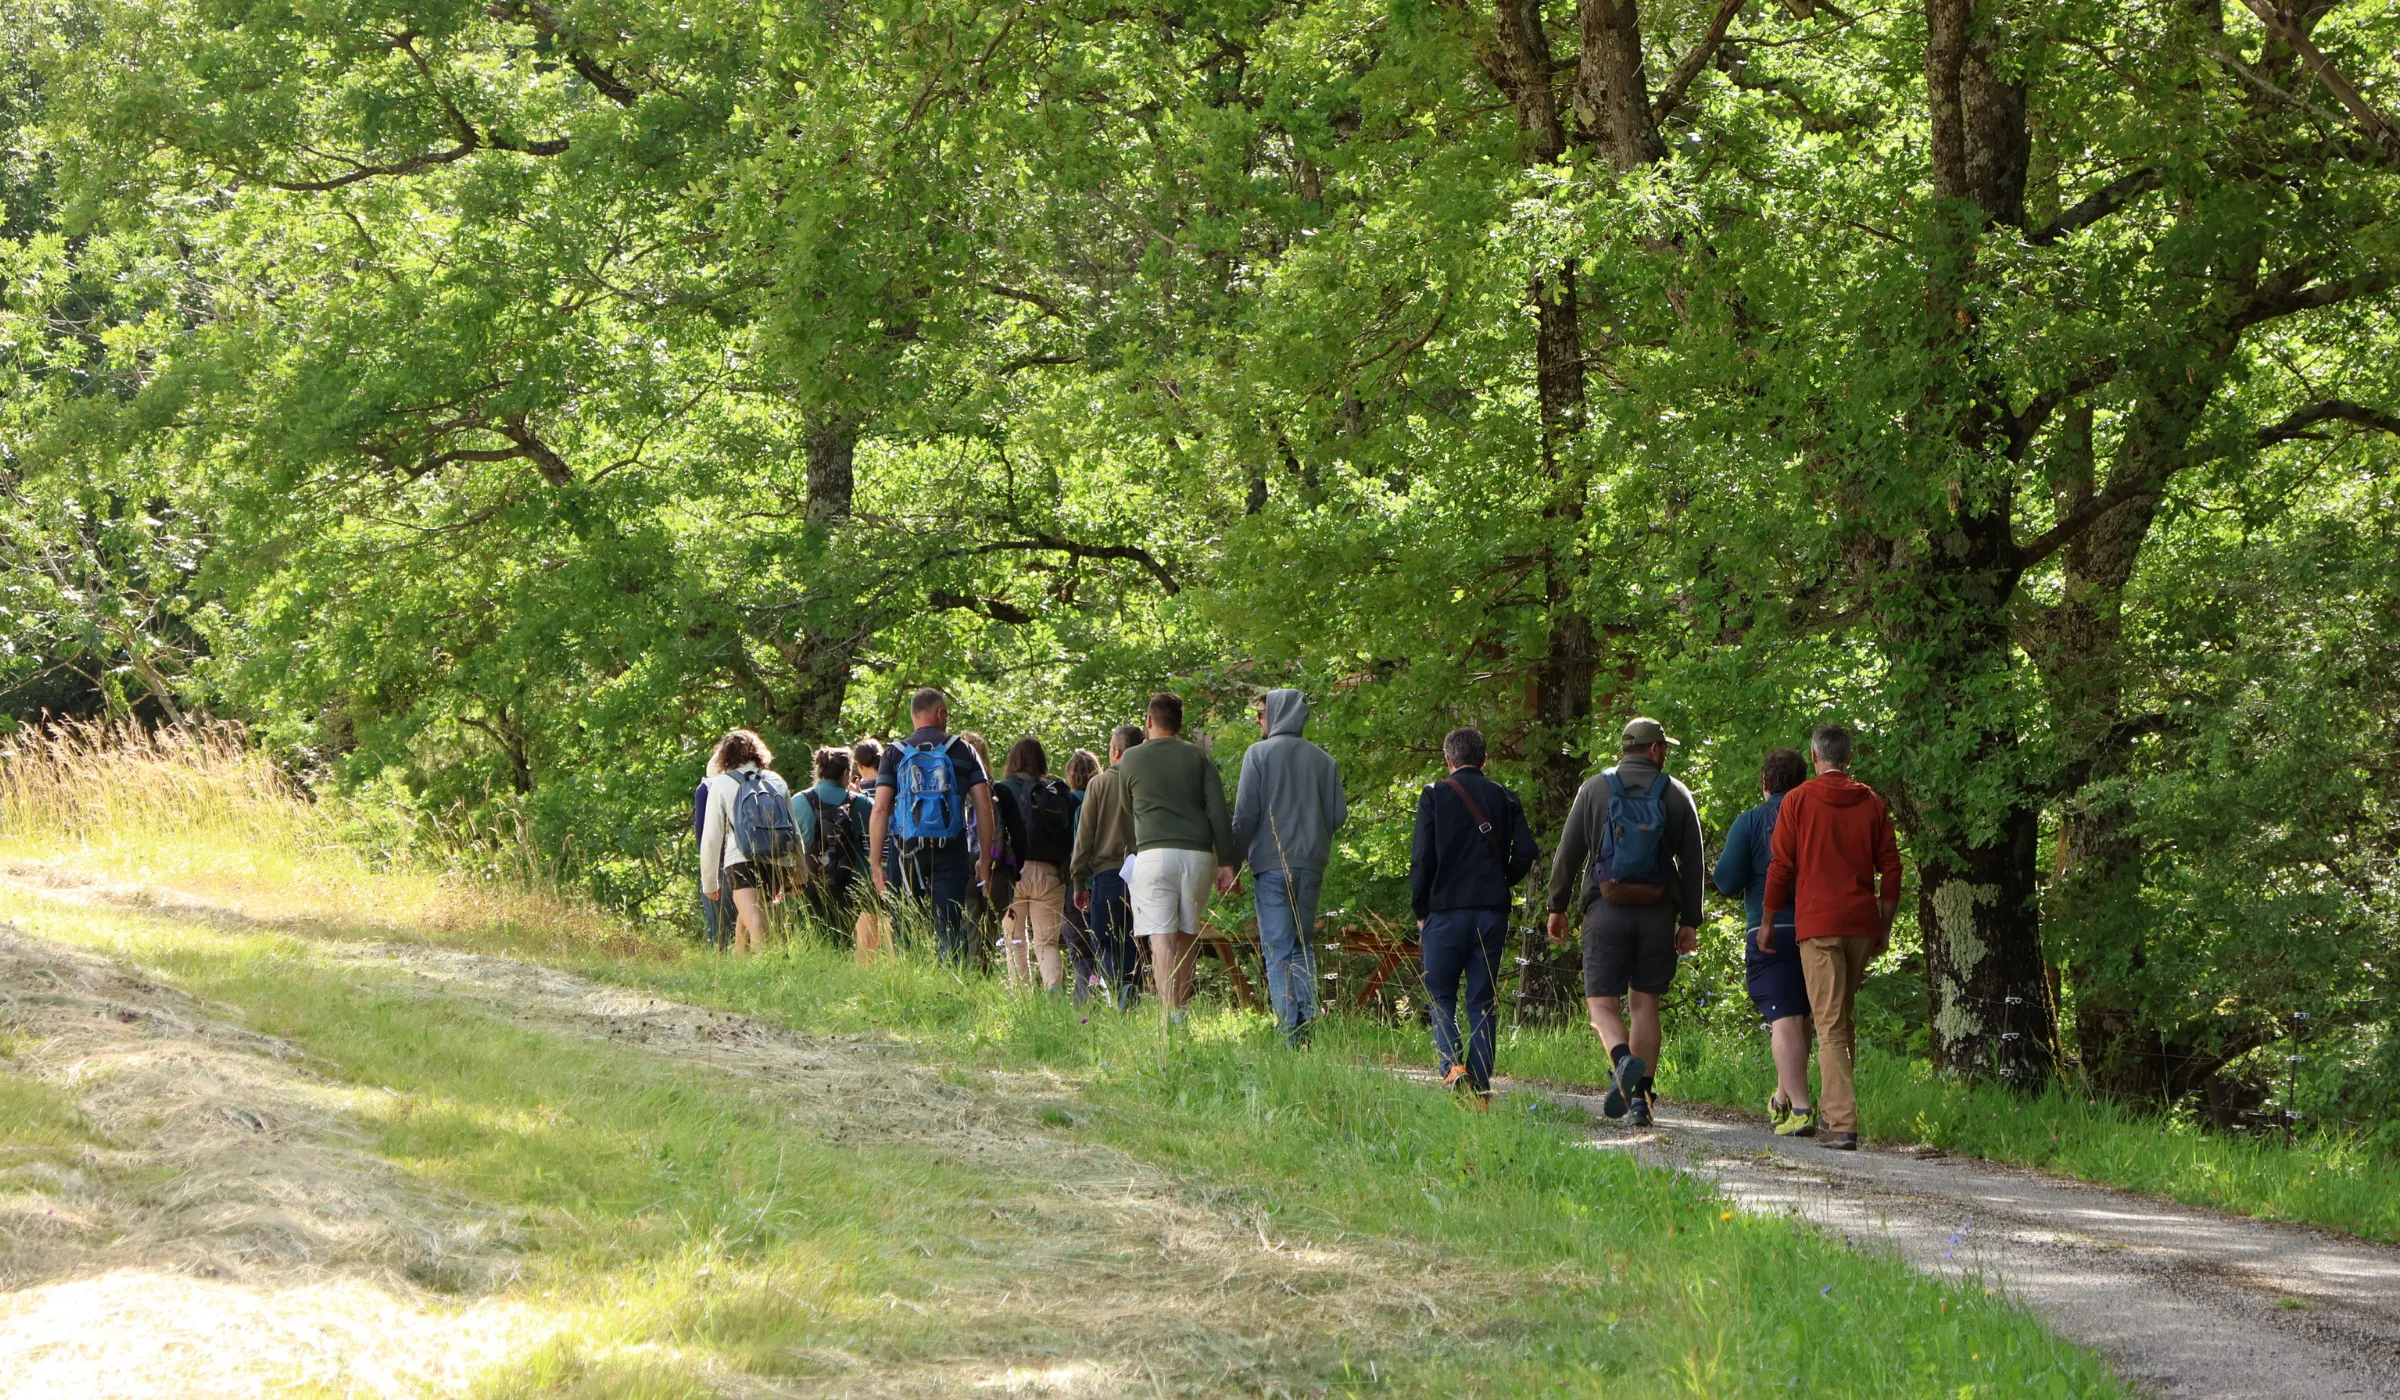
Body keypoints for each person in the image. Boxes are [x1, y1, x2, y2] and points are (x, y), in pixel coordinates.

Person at [1545, 716, 1706, 1127]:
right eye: (1664, 747)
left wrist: (1557, 905)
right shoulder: (1676, 794)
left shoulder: (1595, 788)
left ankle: (1622, 1061)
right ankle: (1642, 1100)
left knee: (1601, 1004)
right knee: (1644, 1004)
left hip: (1607, 909)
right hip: (1657, 912)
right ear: (1655, 750)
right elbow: (1693, 862)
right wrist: (1690, 919)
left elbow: (1569, 852)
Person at [1763, 723, 1902, 1153]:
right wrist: (1884, 924)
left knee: (1828, 1025)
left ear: (1815, 756)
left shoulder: (1800, 800)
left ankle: (1840, 1123)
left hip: (1820, 925)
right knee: (1840, 1021)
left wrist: (1767, 921)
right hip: (1861, 923)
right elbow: (1892, 869)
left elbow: (1781, 867)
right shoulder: (1872, 802)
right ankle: (1834, 1110)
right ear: (1850, 758)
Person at [1410, 727, 1538, 1108]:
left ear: (1448, 760)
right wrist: (1502, 880)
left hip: (1444, 912)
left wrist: (1421, 911)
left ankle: (1452, 1068)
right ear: (1485, 759)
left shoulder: (1434, 795)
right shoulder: (1505, 796)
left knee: (1440, 996)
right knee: (1482, 1000)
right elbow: (1527, 851)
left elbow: (1422, 860)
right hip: (1490, 912)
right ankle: (1481, 1088)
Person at [1231, 688, 1348, 1047]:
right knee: (1301, 943)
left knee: (1277, 947)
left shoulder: (1258, 755)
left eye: (1262, 714)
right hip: (1311, 864)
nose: (1258, 720)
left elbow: (1245, 815)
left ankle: (1290, 1031)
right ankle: (1309, 1018)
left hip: (1270, 864)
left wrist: (1232, 861)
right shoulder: (1323, 761)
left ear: (1278, 713)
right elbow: (1339, 815)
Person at [1114, 693, 1239, 1021]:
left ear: (1149, 721)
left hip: (1154, 855)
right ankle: (1181, 1011)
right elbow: (1218, 812)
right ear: (1180, 725)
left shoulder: (1130, 759)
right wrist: (1227, 862)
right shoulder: (1199, 757)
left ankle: (1169, 1015)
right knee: (1187, 935)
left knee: (1162, 939)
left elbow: (1126, 807)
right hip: (1198, 857)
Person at [1715, 747, 1816, 1136]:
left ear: (1764, 783)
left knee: (1784, 1018)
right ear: (1803, 782)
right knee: (1799, 1017)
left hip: (1767, 929)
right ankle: (1782, 1098)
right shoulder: (1813, 820)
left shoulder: (1751, 822)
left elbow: (1725, 881)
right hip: (1813, 930)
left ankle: (1803, 1110)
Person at [870, 689, 1000, 967]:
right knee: (951, 926)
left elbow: (880, 808)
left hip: (905, 852)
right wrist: (985, 859)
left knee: (907, 926)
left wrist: (875, 863)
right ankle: (952, 991)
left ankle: (910, 989)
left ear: (914, 716)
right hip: (951, 851)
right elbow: (984, 807)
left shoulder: (894, 753)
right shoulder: (965, 751)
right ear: (940, 714)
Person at [699, 729, 797, 955]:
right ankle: (742, 962)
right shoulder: (776, 780)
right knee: (755, 914)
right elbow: (793, 828)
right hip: (776, 857)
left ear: (725, 755)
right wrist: (798, 869)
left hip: (740, 858)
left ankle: (764, 969)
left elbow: (712, 836)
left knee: (753, 917)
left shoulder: (721, 783)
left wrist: (710, 883)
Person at [1071, 724, 1146, 1009]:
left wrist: (1079, 880)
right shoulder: (1146, 782)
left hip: (1107, 874)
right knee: (1136, 941)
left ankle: (1117, 999)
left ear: (1116, 750)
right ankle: (1133, 998)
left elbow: (1085, 836)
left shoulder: (1099, 784)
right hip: (1144, 873)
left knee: (1106, 941)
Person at [995, 737, 1077, 990]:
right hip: (1050, 874)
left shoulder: (1001, 789)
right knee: (1047, 943)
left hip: (1012, 873)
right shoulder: (1055, 790)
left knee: (1015, 940)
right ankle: (1055, 994)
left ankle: (1022, 1001)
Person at [794, 746, 873, 928]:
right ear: (846, 772)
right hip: (854, 881)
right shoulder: (861, 802)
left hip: (812, 880)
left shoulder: (798, 801)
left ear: (819, 772)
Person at [1061, 747, 1104, 999]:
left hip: (1074, 885)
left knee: (1080, 952)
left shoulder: (1066, 802)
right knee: (1107, 949)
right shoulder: (1103, 799)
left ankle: (1084, 1002)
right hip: (1104, 880)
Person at [693, 776, 729, 951]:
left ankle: (719, 968)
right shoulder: (760, 781)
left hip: (720, 864)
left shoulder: (707, 787)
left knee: (718, 930)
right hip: (756, 861)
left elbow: (702, 832)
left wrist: (708, 874)